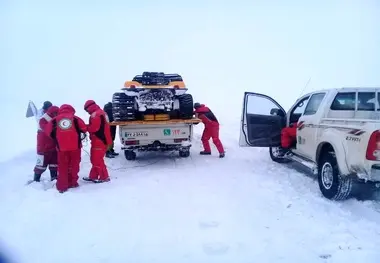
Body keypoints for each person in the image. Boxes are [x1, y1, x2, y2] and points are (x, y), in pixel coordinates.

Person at [45, 104, 87, 193]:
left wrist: (57, 137)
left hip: (61, 148)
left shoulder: (54, 120)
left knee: (62, 166)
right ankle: (73, 183)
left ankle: (62, 186)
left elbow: (48, 131)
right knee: (74, 165)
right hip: (75, 147)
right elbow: (84, 128)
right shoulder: (76, 118)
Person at [83, 100, 112, 183]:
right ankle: (93, 176)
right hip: (103, 139)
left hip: (99, 140)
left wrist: (84, 128)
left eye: (86, 110)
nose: (87, 112)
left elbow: (94, 128)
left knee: (97, 160)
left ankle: (104, 177)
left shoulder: (96, 114)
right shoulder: (102, 112)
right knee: (95, 159)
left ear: (89, 107)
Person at [33, 104, 59, 182]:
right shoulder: (43, 120)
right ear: (53, 113)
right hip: (44, 148)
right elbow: (49, 131)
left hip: (53, 147)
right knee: (40, 165)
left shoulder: (55, 119)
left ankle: (54, 178)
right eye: (57, 113)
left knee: (54, 164)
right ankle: (36, 180)